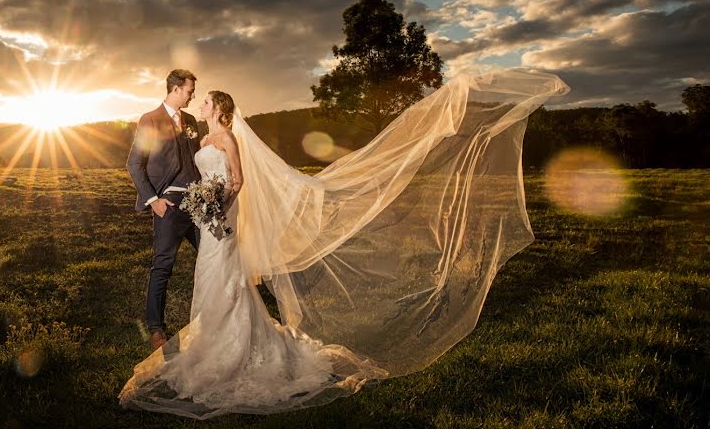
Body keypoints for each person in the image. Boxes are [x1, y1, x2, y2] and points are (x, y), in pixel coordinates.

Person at [120, 68, 570, 419]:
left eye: (204, 98)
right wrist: (169, 200)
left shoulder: (230, 138)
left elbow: (235, 180)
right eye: (193, 92)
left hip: (216, 217)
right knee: (199, 274)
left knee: (226, 280)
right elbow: (150, 164)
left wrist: (217, 205)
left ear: (218, 108)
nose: (198, 100)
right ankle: (190, 336)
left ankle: (232, 348)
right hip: (190, 211)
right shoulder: (185, 129)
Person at [126, 69, 202, 351]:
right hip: (168, 207)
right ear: (176, 88)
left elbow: (196, 161)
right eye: (190, 90)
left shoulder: (192, 121)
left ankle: (215, 320)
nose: (192, 95)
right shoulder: (151, 119)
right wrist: (153, 200)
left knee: (213, 259)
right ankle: (156, 329)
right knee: (163, 267)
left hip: (197, 205)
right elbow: (134, 164)